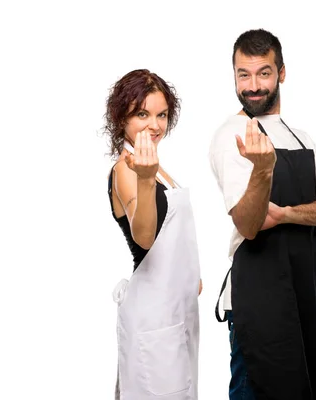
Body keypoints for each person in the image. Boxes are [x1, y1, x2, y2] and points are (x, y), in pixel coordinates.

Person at [209, 29, 316, 400]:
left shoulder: (301, 137)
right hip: (258, 304)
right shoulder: (232, 136)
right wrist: (263, 170)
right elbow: (249, 224)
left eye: (264, 73)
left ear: (282, 73)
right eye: (244, 74)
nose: (253, 86)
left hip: (305, 297)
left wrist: (286, 213)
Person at [103, 69, 202, 400]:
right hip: (153, 318)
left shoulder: (154, 166)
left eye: (161, 115)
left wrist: (190, 276)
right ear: (121, 118)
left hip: (175, 313)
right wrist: (145, 180)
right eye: (142, 114)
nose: (155, 125)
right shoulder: (126, 170)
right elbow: (144, 237)